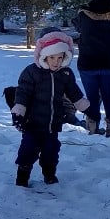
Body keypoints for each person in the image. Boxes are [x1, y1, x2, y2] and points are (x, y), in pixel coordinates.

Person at [10, 29, 90, 187]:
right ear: (43, 55)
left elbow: (73, 92)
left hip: (53, 125)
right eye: (52, 57)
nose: (56, 62)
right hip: (32, 124)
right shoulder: (31, 72)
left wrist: (86, 108)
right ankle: (23, 174)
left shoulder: (65, 74)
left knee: (51, 152)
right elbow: (23, 93)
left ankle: (49, 173)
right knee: (29, 149)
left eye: (60, 58)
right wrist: (18, 113)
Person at [72, 0, 110, 137]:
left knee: (92, 98)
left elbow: (78, 26)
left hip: (87, 64)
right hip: (107, 62)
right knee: (109, 97)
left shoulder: (85, 15)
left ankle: (92, 128)